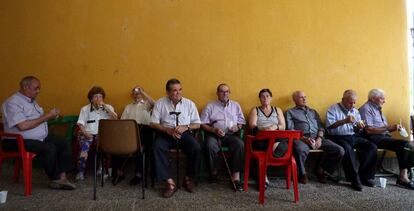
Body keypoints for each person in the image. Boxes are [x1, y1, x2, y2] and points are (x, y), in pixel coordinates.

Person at [1, 76, 75, 190]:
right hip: (16, 141)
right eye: (36, 88)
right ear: (25, 87)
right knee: (49, 148)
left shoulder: (31, 102)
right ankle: (56, 179)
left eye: (39, 88)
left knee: (63, 142)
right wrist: (46, 116)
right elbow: (22, 126)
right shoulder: (12, 103)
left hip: (37, 138)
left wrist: (51, 117)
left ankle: (62, 177)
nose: (38, 91)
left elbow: (37, 119)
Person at [150, 78, 201, 198]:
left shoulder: (189, 104)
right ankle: (169, 182)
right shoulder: (160, 103)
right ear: (168, 92)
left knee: (196, 148)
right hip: (166, 133)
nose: (178, 93)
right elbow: (153, 123)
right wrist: (167, 130)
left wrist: (186, 127)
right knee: (156, 147)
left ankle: (188, 179)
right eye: (174, 90)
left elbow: (197, 124)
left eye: (179, 90)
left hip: (184, 133)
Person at [359, 88, 414, 189]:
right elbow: (368, 130)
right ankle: (403, 178)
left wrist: (394, 128)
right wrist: (388, 128)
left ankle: (404, 176)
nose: (384, 101)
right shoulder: (366, 109)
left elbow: (383, 129)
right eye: (382, 99)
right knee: (403, 145)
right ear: (373, 98)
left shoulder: (378, 109)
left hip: (382, 136)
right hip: (372, 138)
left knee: (405, 146)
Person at [286, 91, 344, 184]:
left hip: (317, 137)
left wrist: (320, 138)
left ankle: (322, 170)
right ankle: (302, 174)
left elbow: (321, 126)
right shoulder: (290, 112)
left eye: (305, 97)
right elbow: (290, 129)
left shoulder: (313, 111)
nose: (304, 99)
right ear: (295, 100)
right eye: (301, 97)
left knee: (339, 150)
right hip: (300, 138)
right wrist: (304, 139)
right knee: (300, 150)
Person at [326, 90, 377, 191]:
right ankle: (354, 180)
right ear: (343, 100)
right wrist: (344, 121)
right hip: (337, 137)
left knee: (372, 147)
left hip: (352, 136)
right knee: (348, 150)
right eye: (350, 102)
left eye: (354, 102)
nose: (353, 105)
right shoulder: (333, 109)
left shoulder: (355, 111)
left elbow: (356, 128)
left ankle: (365, 177)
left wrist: (359, 127)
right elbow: (329, 127)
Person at [200, 83, 245, 191]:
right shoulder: (210, 106)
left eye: (227, 91)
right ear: (217, 93)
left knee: (240, 144)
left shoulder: (236, 105)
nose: (225, 94)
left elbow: (241, 122)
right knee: (210, 145)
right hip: (214, 134)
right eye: (222, 91)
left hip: (230, 135)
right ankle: (214, 173)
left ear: (229, 93)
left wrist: (237, 127)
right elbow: (202, 124)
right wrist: (213, 130)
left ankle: (236, 177)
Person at [111, 86, 155, 185]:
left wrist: (143, 93)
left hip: (144, 131)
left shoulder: (147, 104)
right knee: (117, 144)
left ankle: (139, 174)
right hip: (129, 132)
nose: (136, 95)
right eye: (135, 93)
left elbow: (155, 104)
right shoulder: (128, 107)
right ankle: (119, 172)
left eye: (138, 93)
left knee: (141, 145)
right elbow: (122, 122)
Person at [75, 86, 118, 181]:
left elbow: (116, 119)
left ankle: (102, 169)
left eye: (100, 96)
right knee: (84, 148)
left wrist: (105, 108)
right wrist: (85, 133)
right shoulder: (85, 109)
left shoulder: (108, 107)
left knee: (105, 148)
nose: (98, 99)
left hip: (102, 134)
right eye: (95, 96)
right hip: (88, 133)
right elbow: (80, 123)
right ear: (91, 98)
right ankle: (80, 171)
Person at [248, 88, 287, 188]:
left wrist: (275, 127)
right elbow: (252, 125)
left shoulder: (277, 110)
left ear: (271, 98)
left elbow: (283, 126)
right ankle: (263, 177)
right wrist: (264, 128)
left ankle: (262, 174)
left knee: (283, 143)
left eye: (267, 96)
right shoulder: (255, 109)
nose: (265, 98)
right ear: (259, 98)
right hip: (261, 137)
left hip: (275, 137)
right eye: (262, 96)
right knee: (262, 146)